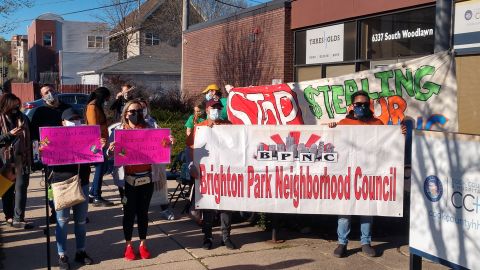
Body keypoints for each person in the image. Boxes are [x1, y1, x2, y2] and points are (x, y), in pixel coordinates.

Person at [328, 90, 406, 258]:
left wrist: (399, 135)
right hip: (347, 173)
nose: (362, 107)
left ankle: (366, 242)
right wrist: (331, 129)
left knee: (367, 209)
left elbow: (387, 144)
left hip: (369, 173)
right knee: (344, 210)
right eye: (358, 104)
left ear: (369, 105)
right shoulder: (343, 123)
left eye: (365, 104)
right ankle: (342, 243)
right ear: (352, 106)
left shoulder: (377, 123)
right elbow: (333, 145)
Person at [107, 100, 174, 260]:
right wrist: (110, 151)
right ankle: (128, 245)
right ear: (125, 113)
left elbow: (161, 149)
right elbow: (110, 156)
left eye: (138, 110)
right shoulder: (118, 130)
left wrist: (169, 143)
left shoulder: (150, 129)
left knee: (143, 213)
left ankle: (143, 243)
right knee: (129, 214)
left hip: (146, 177)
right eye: (131, 111)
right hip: (127, 180)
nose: (135, 114)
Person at [186, 99, 236, 250]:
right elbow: (190, 147)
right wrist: (191, 165)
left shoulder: (228, 126)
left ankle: (225, 237)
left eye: (219, 108)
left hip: (225, 172)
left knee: (226, 206)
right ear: (207, 110)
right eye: (214, 108)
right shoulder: (200, 128)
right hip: (206, 173)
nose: (217, 110)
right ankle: (207, 237)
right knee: (208, 206)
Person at [51, 108, 94, 270]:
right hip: (62, 183)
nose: (75, 121)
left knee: (81, 222)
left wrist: (98, 147)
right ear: (63, 122)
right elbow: (44, 161)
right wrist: (43, 150)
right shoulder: (54, 138)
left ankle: (80, 252)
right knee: (62, 222)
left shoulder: (87, 136)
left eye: (77, 118)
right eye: (71, 119)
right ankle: (62, 255)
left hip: (82, 182)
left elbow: (96, 158)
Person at [30, 85, 72, 224]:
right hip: (49, 156)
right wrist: (37, 154)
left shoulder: (67, 108)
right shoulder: (40, 112)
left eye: (51, 91)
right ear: (42, 97)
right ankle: (54, 211)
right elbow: (34, 136)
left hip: (68, 154)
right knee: (51, 186)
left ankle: (70, 210)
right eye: (46, 92)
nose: (50, 94)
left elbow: (77, 128)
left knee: (69, 183)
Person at [0, 93, 33, 229]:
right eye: (13, 104)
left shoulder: (23, 118)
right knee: (7, 189)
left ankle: (19, 218)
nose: (16, 107)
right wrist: (9, 135)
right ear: (5, 105)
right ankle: (9, 216)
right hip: (4, 159)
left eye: (17, 104)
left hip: (21, 158)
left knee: (21, 188)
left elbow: (31, 138)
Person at [85, 87, 114, 207]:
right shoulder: (92, 107)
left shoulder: (97, 106)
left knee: (102, 168)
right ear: (102, 96)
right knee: (100, 168)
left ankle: (92, 193)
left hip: (102, 141)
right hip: (96, 143)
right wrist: (98, 143)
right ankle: (96, 195)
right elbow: (93, 126)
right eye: (107, 98)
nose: (107, 100)